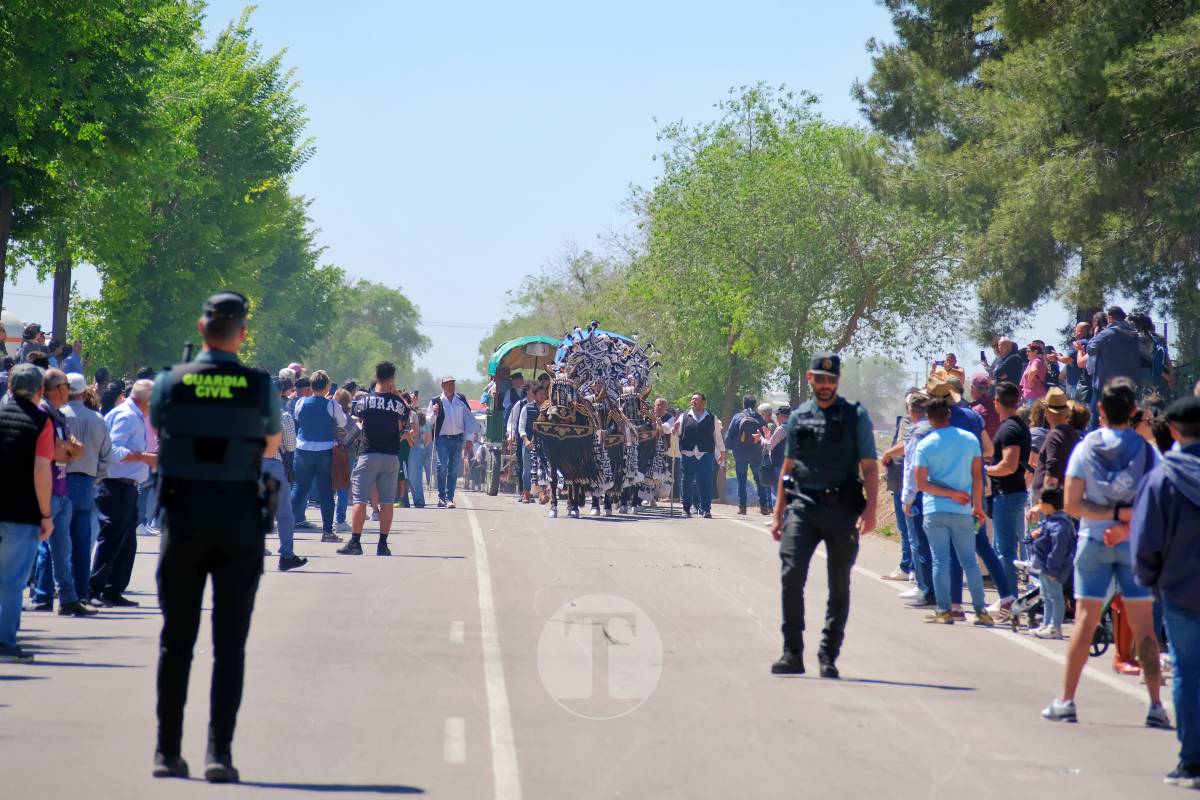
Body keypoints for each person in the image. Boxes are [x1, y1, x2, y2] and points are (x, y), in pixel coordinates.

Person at [149, 291, 283, 782]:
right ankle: (218, 754)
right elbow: (271, 444)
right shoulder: (259, 386)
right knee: (230, 644)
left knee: (176, 641)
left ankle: (166, 752)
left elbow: (159, 424)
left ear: (202, 329)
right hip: (238, 519)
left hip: (183, 517)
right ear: (241, 335)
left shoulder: (170, 381)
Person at [1042, 377, 1169, 728]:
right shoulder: (1148, 452)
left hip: (1093, 541)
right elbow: (1157, 503)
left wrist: (1109, 514)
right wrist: (1125, 521)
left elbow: (1071, 503)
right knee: (1144, 627)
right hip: (1134, 545)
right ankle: (1156, 705)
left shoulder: (1086, 447)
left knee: (1086, 620)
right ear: (1133, 411)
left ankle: (1067, 700)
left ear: (1100, 408)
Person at [769, 353, 878, 678]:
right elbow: (788, 467)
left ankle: (828, 654)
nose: (826, 385)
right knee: (791, 575)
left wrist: (871, 509)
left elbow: (869, 467)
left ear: (838, 381)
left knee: (839, 584)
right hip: (803, 506)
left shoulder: (854, 416)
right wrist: (778, 512)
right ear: (810, 378)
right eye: (820, 379)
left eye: (831, 380)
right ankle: (792, 653)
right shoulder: (799, 417)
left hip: (842, 508)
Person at [1132, 396, 1200, 787]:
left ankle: (1191, 761)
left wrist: (1151, 580)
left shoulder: (1161, 478)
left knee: (1187, 673)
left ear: (1172, 431)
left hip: (1179, 590)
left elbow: (1145, 541)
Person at [913, 392, 992, 626]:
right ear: (949, 413)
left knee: (940, 561)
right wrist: (978, 506)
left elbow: (921, 484)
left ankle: (944, 610)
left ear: (928, 417)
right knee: (969, 561)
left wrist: (948, 493)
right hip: (964, 509)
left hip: (934, 509)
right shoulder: (970, 440)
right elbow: (977, 477)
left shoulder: (925, 444)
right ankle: (980, 610)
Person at [0, 365, 55, 662]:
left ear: (10, 387)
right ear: (40, 391)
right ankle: (4, 642)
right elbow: (41, 470)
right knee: (12, 580)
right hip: (20, 511)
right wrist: (46, 514)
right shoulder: (41, 422)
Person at [28, 369, 92, 616]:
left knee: (61, 551)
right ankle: (37, 595)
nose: (69, 390)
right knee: (31, 548)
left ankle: (67, 599)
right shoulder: (43, 413)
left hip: (62, 490)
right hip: (48, 491)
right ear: (58, 388)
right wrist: (66, 449)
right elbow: (55, 452)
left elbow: (78, 450)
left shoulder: (59, 415)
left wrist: (65, 449)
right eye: (66, 385)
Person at [90, 378, 155, 606]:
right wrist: (143, 457)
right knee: (111, 538)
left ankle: (113, 589)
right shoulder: (127, 416)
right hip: (116, 484)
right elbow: (113, 449)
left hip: (127, 485)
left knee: (126, 542)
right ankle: (94, 589)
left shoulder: (134, 415)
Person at [340, 362, 408, 556]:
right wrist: (396, 394)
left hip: (368, 454)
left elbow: (358, 419)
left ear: (375, 376)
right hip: (390, 456)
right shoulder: (397, 403)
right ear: (392, 379)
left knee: (360, 500)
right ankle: (382, 545)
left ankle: (355, 542)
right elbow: (406, 415)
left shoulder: (364, 401)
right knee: (387, 502)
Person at [61, 372, 112, 605]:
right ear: (83, 392)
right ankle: (81, 592)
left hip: (61, 481)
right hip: (88, 482)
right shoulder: (98, 419)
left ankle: (46, 591)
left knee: (55, 541)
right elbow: (107, 456)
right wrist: (96, 478)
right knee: (82, 541)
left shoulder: (58, 415)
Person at [985, 381, 1031, 603]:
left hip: (1007, 494)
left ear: (996, 402)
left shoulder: (1010, 429)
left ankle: (1008, 598)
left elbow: (1009, 465)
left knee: (1004, 551)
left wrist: (985, 470)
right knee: (1005, 548)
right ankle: (1007, 597)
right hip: (1012, 493)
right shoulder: (1018, 426)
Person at [289, 370, 345, 542]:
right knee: (326, 493)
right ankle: (327, 532)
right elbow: (342, 422)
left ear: (311, 387)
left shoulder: (300, 402)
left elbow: (298, 418)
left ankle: (283, 523)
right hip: (325, 451)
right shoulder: (332, 405)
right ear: (327, 387)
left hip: (302, 450)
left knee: (299, 489)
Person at [264, 379, 306, 572]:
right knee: (284, 515)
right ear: (280, 393)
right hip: (273, 465)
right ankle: (286, 555)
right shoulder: (284, 416)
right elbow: (290, 446)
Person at [1030, 486, 1075, 640]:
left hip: (1054, 568)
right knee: (1046, 596)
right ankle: (1047, 623)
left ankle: (1055, 627)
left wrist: (1053, 569)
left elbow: (1058, 550)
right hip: (1046, 566)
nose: (1039, 505)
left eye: (1041, 502)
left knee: (1055, 597)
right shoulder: (1053, 521)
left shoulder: (1060, 525)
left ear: (1049, 505)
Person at [427, 375, 477, 509]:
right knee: (441, 466)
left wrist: (469, 439)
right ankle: (441, 497)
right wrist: (434, 413)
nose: (451, 386)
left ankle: (449, 498)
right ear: (442, 386)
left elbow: (469, 420)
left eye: (452, 384)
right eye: (448, 384)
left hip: (458, 439)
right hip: (442, 439)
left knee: (453, 469)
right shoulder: (436, 401)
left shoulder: (461, 399)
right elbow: (429, 421)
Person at [672, 392, 725, 518]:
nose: (693, 401)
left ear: (703, 402)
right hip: (688, 454)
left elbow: (717, 436)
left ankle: (706, 509)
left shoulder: (712, 418)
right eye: (692, 399)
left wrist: (722, 452)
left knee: (706, 482)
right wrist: (675, 429)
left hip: (705, 455)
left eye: (696, 399)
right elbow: (677, 433)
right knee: (687, 482)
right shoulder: (684, 417)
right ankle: (686, 508)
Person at [725, 396, 769, 515]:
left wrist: (730, 447)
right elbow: (766, 435)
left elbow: (729, 435)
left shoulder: (737, 417)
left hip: (740, 453)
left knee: (742, 481)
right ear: (754, 405)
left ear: (743, 404)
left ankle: (742, 507)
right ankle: (764, 507)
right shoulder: (759, 418)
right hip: (756, 453)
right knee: (759, 480)